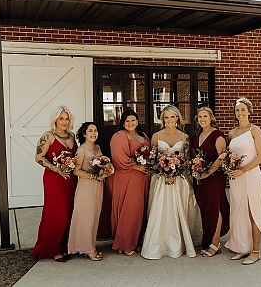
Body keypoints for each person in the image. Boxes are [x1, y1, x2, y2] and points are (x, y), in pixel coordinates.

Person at [141, 105, 202, 259]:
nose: (169, 120)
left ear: (177, 118)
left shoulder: (184, 137)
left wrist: (176, 170)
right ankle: (157, 244)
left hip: (179, 179)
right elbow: (152, 158)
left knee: (178, 208)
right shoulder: (156, 136)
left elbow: (187, 159)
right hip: (161, 179)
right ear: (163, 119)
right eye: (166, 117)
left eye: (172, 117)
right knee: (160, 209)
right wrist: (163, 170)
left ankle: (180, 243)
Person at [31, 106, 78, 262]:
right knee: (58, 214)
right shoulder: (48, 136)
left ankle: (64, 246)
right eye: (61, 118)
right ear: (55, 120)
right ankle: (52, 248)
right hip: (54, 179)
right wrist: (56, 169)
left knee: (69, 212)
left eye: (66, 118)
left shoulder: (71, 136)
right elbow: (38, 157)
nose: (64, 121)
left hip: (70, 180)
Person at [223, 97, 261, 265]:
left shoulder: (254, 130)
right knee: (238, 213)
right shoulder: (232, 133)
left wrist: (243, 170)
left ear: (249, 111)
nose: (240, 113)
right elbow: (228, 157)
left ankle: (255, 252)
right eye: (237, 110)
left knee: (252, 212)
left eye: (242, 110)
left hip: (251, 176)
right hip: (236, 179)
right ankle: (242, 247)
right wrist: (229, 169)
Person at [110, 109, 151, 256]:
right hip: (128, 175)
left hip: (143, 177)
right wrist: (137, 166)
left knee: (141, 209)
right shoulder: (119, 136)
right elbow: (118, 157)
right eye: (127, 121)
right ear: (123, 123)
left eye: (133, 120)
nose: (130, 123)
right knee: (130, 209)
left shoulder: (143, 135)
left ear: (137, 121)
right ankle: (125, 243)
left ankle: (136, 240)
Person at [191, 106, 230, 257]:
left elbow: (221, 158)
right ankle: (208, 242)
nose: (202, 119)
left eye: (205, 116)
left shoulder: (217, 135)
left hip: (214, 177)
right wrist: (196, 170)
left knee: (214, 208)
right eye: (200, 117)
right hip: (199, 177)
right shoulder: (196, 135)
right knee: (205, 208)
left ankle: (215, 244)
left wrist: (207, 173)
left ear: (211, 118)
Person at [68, 122, 105, 261]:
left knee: (94, 216)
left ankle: (90, 246)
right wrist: (93, 175)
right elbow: (76, 171)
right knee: (86, 217)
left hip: (98, 185)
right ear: (84, 134)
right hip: (86, 186)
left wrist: (104, 171)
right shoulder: (82, 150)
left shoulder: (98, 147)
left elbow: (101, 165)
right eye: (90, 131)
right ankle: (88, 249)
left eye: (95, 130)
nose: (93, 133)